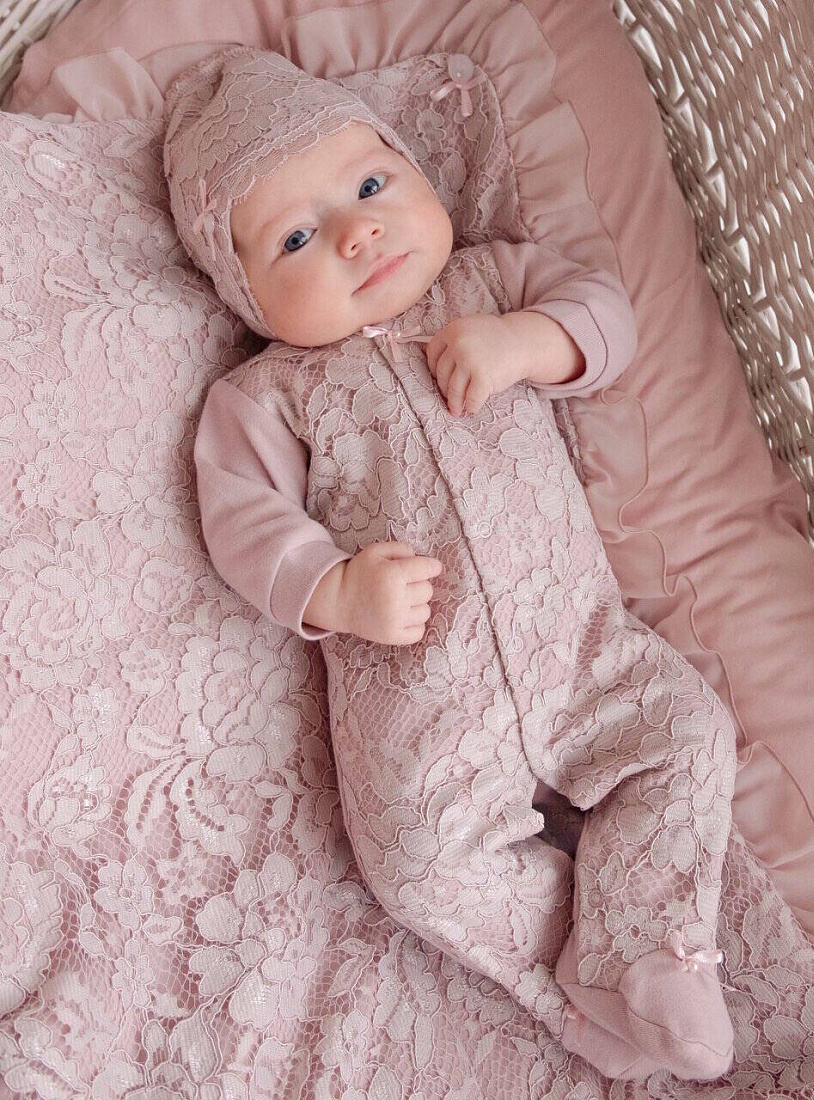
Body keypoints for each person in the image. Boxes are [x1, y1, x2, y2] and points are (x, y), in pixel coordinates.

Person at [163, 44, 738, 1082]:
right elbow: (239, 514)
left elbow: (605, 313)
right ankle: (574, 988)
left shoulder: (489, 282)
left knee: (690, 730)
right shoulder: (269, 393)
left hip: (585, 649)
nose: (356, 232)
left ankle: (648, 948)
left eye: (370, 186)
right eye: (295, 238)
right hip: (423, 703)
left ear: (417, 171)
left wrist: (529, 342)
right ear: (244, 293)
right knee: (417, 866)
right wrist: (333, 586)